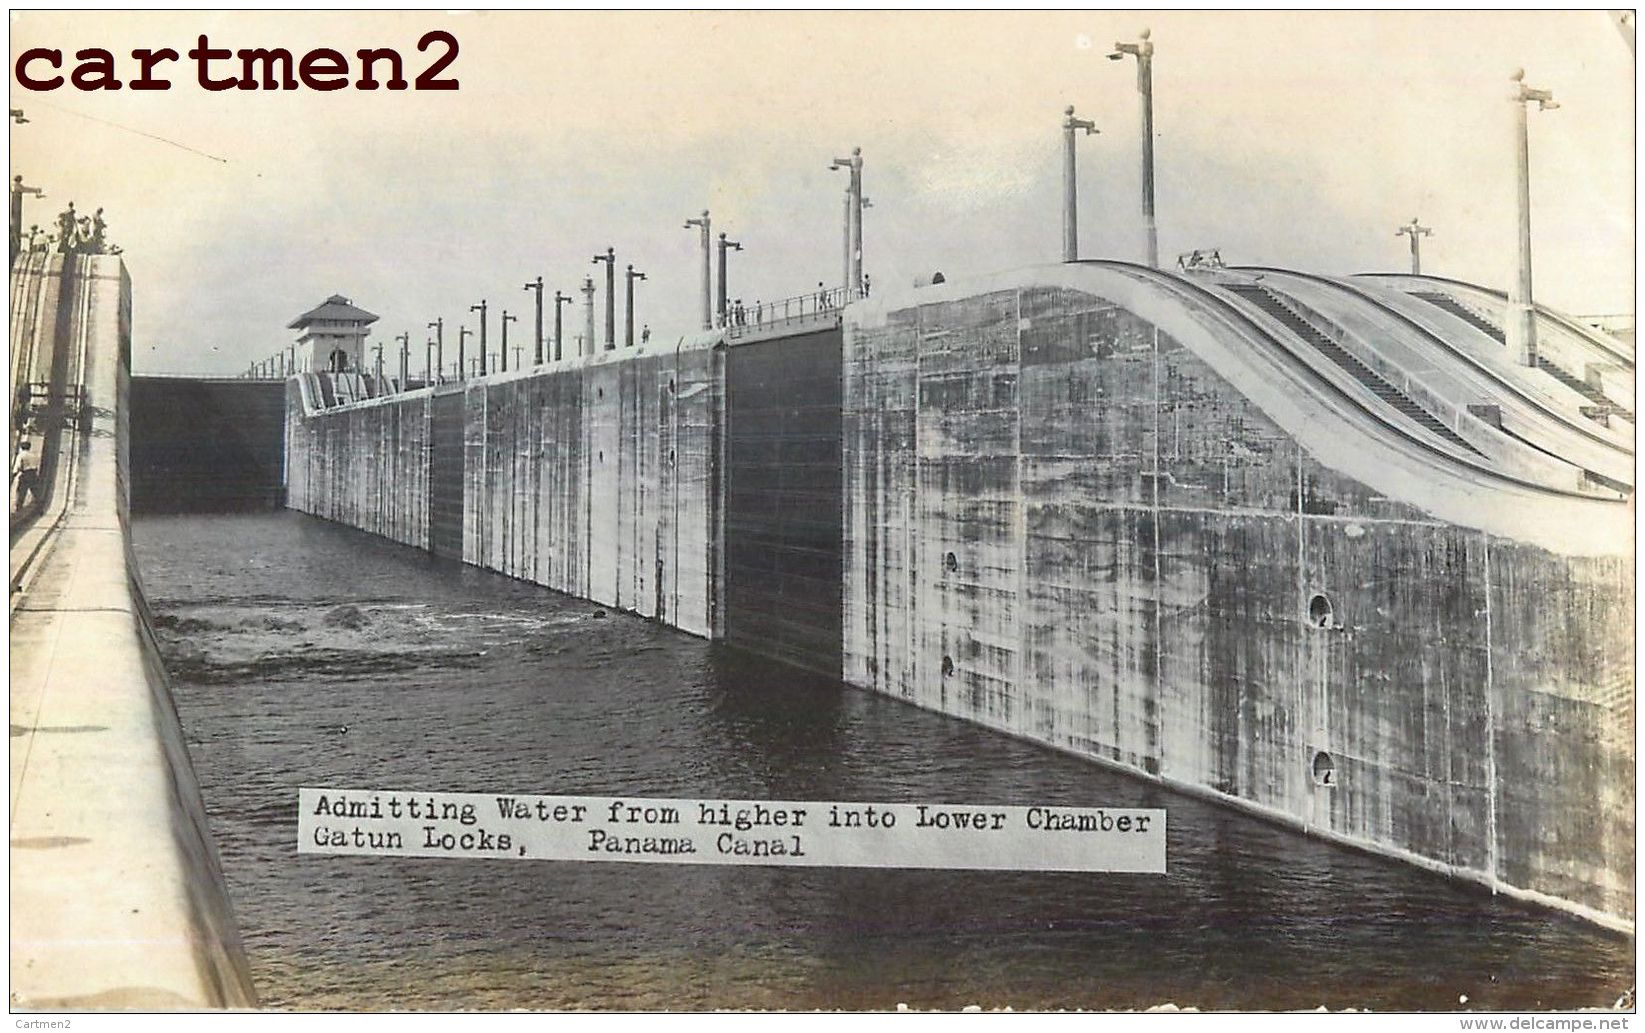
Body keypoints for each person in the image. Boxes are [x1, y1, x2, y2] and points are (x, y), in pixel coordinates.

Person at [12, 438, 41, 511]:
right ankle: (40, 509)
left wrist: (14, 475)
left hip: (25, 475)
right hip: (33, 474)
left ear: (21, 448)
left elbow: (17, 466)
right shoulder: (34, 455)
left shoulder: (21, 455)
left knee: (21, 492)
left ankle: (18, 509)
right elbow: (36, 465)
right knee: (36, 493)